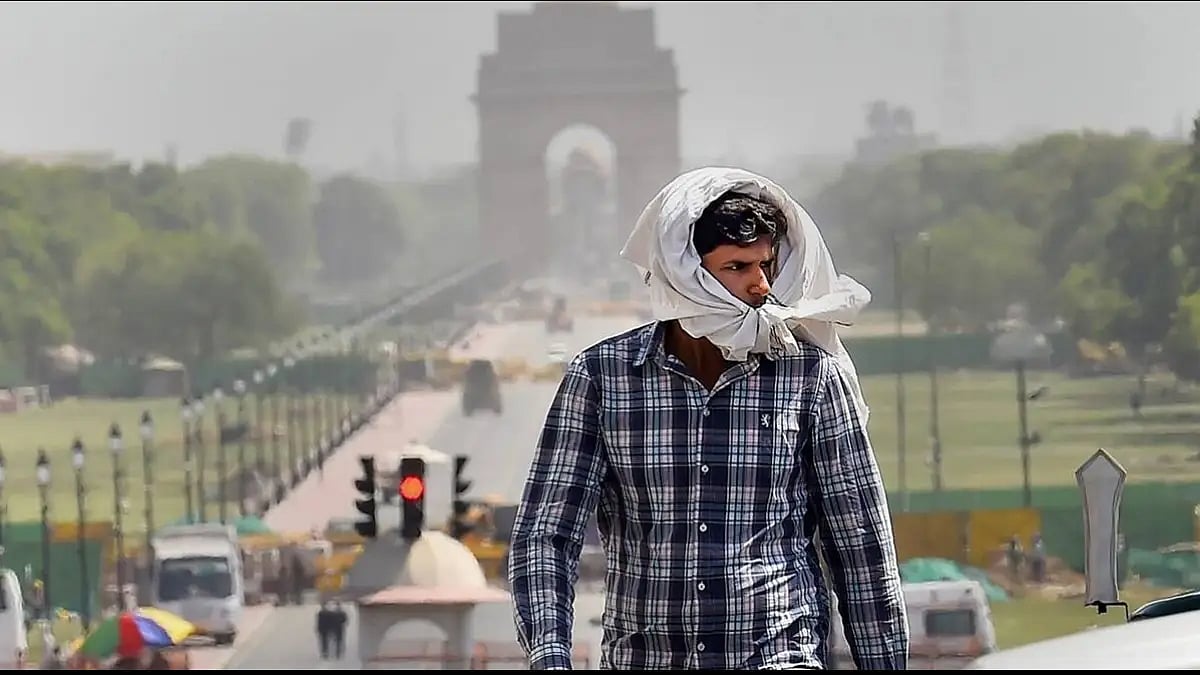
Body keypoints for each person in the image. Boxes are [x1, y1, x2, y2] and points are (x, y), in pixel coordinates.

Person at [508, 167, 909, 670]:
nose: (760, 286)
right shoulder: (603, 379)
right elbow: (547, 534)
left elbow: (860, 545)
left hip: (778, 654)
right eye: (737, 267)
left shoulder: (811, 378)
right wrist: (549, 655)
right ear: (685, 273)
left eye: (765, 264)